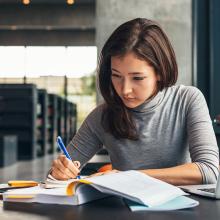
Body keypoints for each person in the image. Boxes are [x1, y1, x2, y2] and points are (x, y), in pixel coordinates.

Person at [50, 18, 219, 185]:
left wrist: (128, 176)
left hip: (184, 210)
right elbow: (52, 179)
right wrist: (59, 172)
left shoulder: (187, 100)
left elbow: (209, 170)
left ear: (160, 71)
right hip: (124, 211)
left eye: (137, 78)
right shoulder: (102, 116)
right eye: (116, 76)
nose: (124, 90)